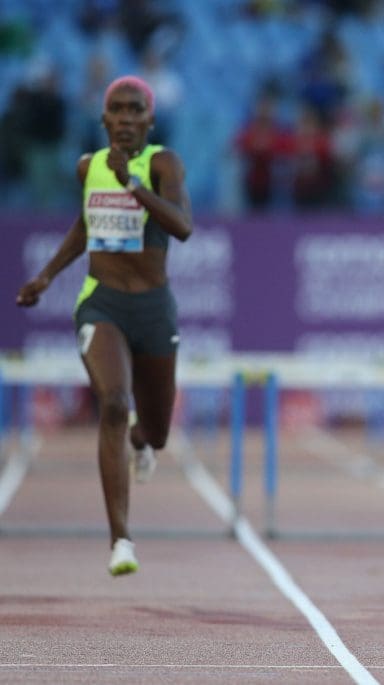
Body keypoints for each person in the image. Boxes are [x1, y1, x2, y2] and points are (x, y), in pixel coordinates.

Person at [15, 76, 193, 576]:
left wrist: (133, 186)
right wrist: (46, 276)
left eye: (137, 110)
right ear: (104, 120)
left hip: (154, 310)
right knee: (113, 403)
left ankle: (141, 444)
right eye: (117, 110)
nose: (127, 118)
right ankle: (121, 540)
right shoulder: (87, 167)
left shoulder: (162, 164)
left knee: (155, 431)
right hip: (102, 304)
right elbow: (84, 226)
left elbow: (183, 227)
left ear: (149, 120)